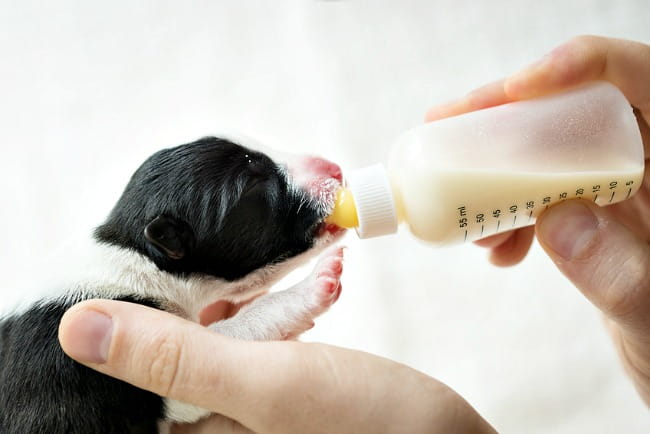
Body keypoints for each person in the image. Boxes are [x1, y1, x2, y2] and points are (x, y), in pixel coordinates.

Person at [58, 35, 650, 433]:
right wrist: (293, 302)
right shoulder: (106, 310)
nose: (318, 171)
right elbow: (188, 387)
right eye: (260, 185)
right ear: (172, 242)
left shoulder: (119, 282)